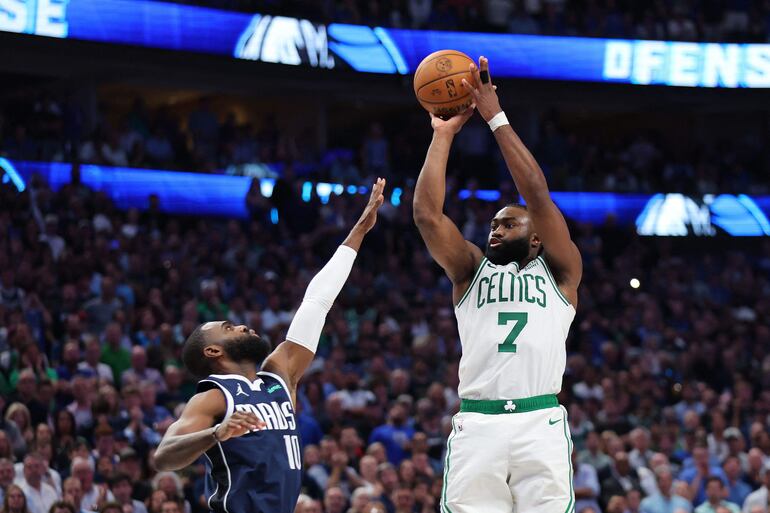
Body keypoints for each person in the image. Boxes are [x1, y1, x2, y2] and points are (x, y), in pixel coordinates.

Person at [154, 180, 386, 513]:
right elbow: (164, 457)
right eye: (229, 328)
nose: (243, 326)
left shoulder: (279, 374)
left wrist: (359, 231)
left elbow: (317, 302)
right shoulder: (213, 397)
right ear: (212, 351)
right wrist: (216, 433)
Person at [413, 56, 581, 513]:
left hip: (538, 419)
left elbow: (537, 193)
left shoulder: (561, 272)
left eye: (508, 225)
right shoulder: (470, 270)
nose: (495, 230)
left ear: (536, 236)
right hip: (479, 421)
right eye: (492, 225)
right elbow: (428, 216)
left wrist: (495, 117)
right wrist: (442, 135)